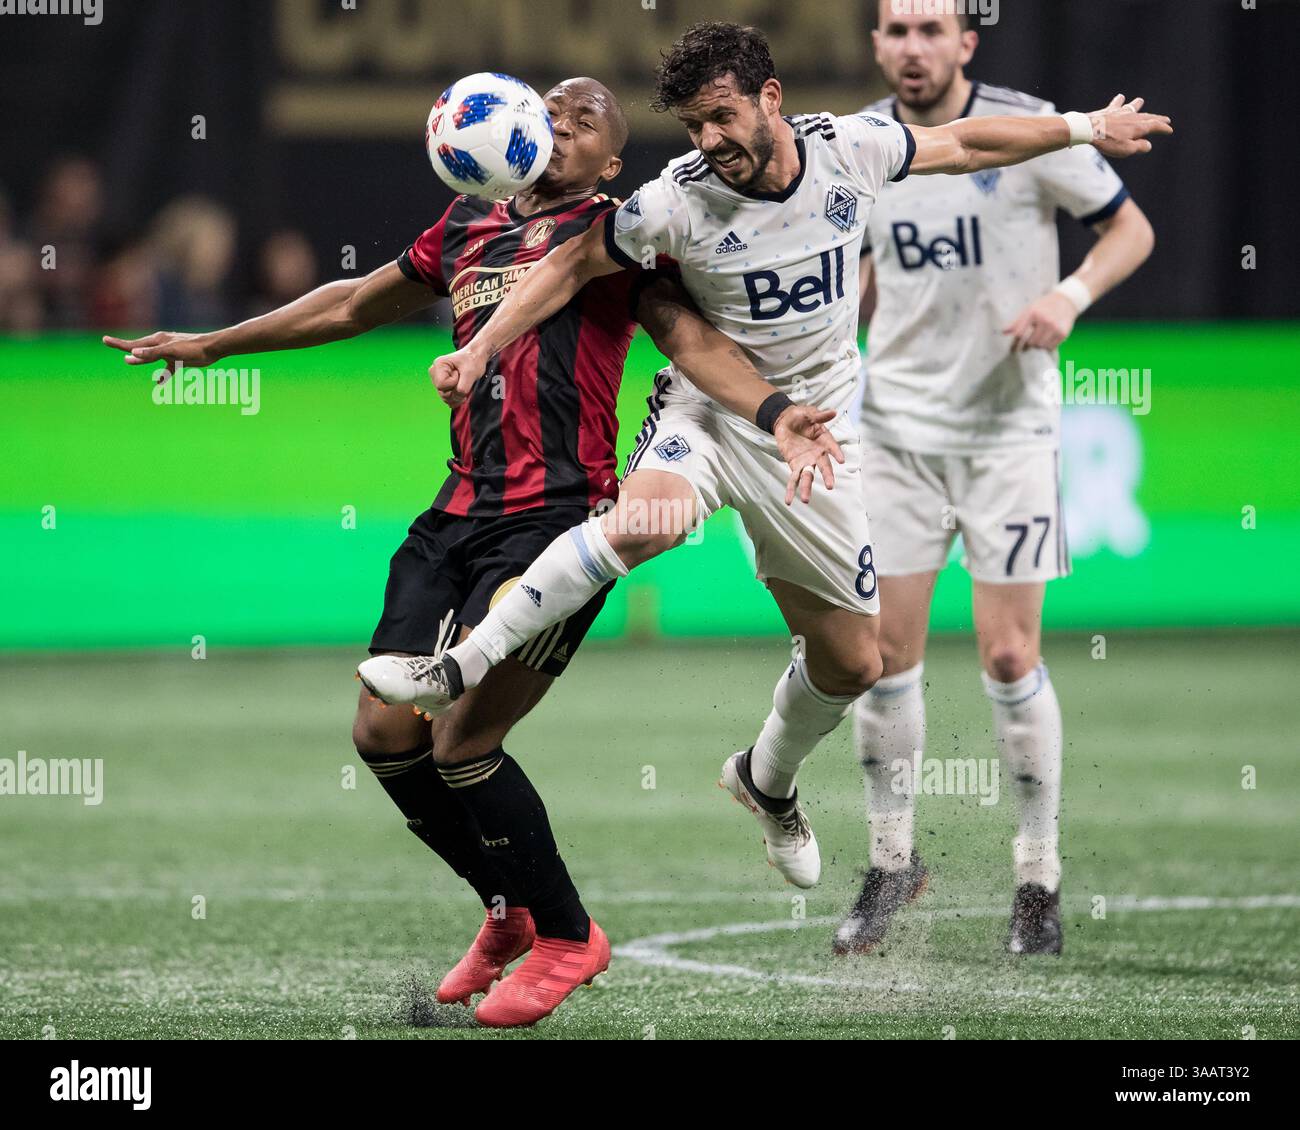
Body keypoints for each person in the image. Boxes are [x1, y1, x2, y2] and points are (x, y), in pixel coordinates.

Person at [356, 22, 1172, 903]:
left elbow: (966, 141)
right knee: (643, 522)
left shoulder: (849, 150)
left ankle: (765, 778)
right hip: (710, 412)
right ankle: (459, 668)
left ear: (769, 100)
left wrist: (1084, 128)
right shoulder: (673, 200)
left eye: (722, 118)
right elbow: (565, 266)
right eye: (695, 127)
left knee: (856, 662)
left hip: (817, 430)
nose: (711, 142)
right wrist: (480, 352)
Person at [105, 77, 839, 1028]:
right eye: (551, 110)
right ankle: (508, 909)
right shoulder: (466, 223)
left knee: (462, 740)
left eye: (583, 123)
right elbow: (350, 305)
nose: (558, 125)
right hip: (455, 512)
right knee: (381, 736)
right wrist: (215, 347)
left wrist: (776, 415)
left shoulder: (613, 239)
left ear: (610, 163)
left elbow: (689, 338)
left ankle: (571, 938)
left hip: (556, 521)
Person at [834, 5, 1158, 958]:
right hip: (894, 434)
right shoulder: (862, 149)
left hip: (1008, 432)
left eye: (932, 28)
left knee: (1009, 657)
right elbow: (850, 283)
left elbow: (1130, 230)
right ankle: (893, 865)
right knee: (882, 656)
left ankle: (1037, 879)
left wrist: (1067, 295)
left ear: (967, 43)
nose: (912, 46)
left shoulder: (1029, 130)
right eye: (895, 29)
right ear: (879, 44)